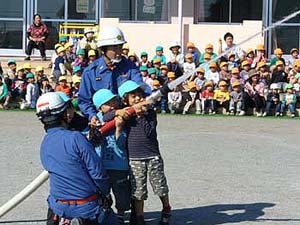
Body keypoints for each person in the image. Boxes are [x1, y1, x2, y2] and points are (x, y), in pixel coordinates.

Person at [36, 92, 117, 225]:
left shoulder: (45, 143)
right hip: (86, 206)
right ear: (65, 114)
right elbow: (98, 173)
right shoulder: (76, 138)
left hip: (58, 206)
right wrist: (106, 194)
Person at [118, 80, 171, 225]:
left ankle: (166, 207)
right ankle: (140, 217)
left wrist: (142, 115)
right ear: (125, 100)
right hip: (135, 158)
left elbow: (149, 131)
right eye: (133, 96)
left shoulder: (150, 113)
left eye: (140, 95)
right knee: (138, 191)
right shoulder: (125, 115)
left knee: (160, 186)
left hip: (152, 156)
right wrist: (125, 115)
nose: (138, 98)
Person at [78, 26, 148, 126]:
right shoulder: (90, 72)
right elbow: (84, 101)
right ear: (103, 49)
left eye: (120, 47)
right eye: (114, 48)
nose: (119, 52)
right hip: (103, 123)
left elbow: (142, 88)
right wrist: (92, 116)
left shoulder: (130, 67)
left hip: (130, 121)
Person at [92, 89, 131, 225]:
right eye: (108, 103)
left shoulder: (120, 118)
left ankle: (120, 215)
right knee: (102, 194)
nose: (113, 105)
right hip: (101, 165)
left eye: (114, 101)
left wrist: (119, 129)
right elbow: (91, 142)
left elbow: (121, 144)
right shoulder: (96, 119)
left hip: (118, 164)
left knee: (122, 194)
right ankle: (106, 214)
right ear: (100, 107)